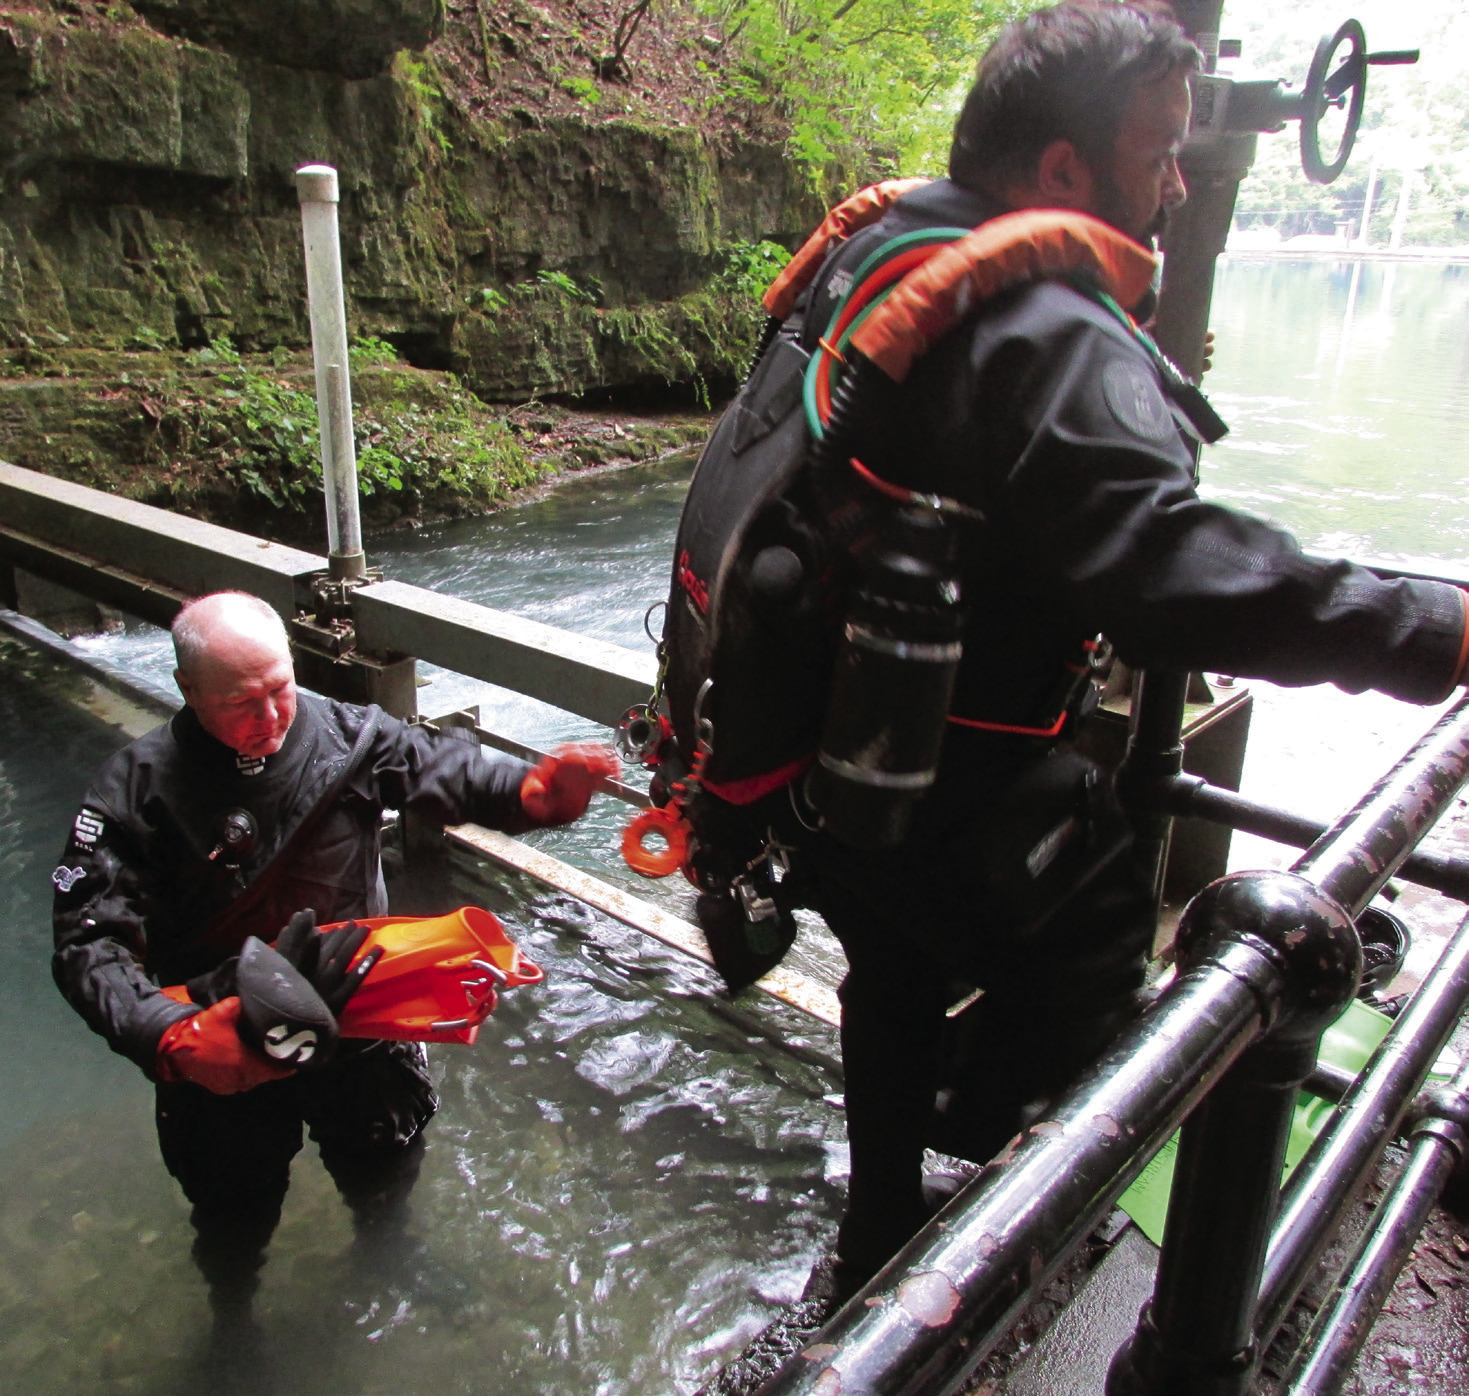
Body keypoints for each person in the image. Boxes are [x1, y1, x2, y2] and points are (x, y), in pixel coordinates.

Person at [673, 0, 1469, 1307]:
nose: (1173, 184)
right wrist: (1436, 627)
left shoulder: (876, 246)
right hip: (951, 775)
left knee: (892, 976)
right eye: (1159, 152)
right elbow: (1167, 573)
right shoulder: (1047, 322)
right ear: (1059, 172)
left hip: (825, 750)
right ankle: (1013, 1228)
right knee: (1101, 939)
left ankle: (877, 1234)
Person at [51, 590, 616, 1319]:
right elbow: (87, 941)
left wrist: (529, 795)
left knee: (385, 1156)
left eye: (280, 690)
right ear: (188, 692)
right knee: (232, 1209)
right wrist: (165, 1032)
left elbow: (441, 768)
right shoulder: (136, 793)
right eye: (240, 703)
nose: (270, 719)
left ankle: (388, 1253)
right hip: (224, 1031)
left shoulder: (350, 738)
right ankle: (233, 1313)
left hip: (359, 1013)